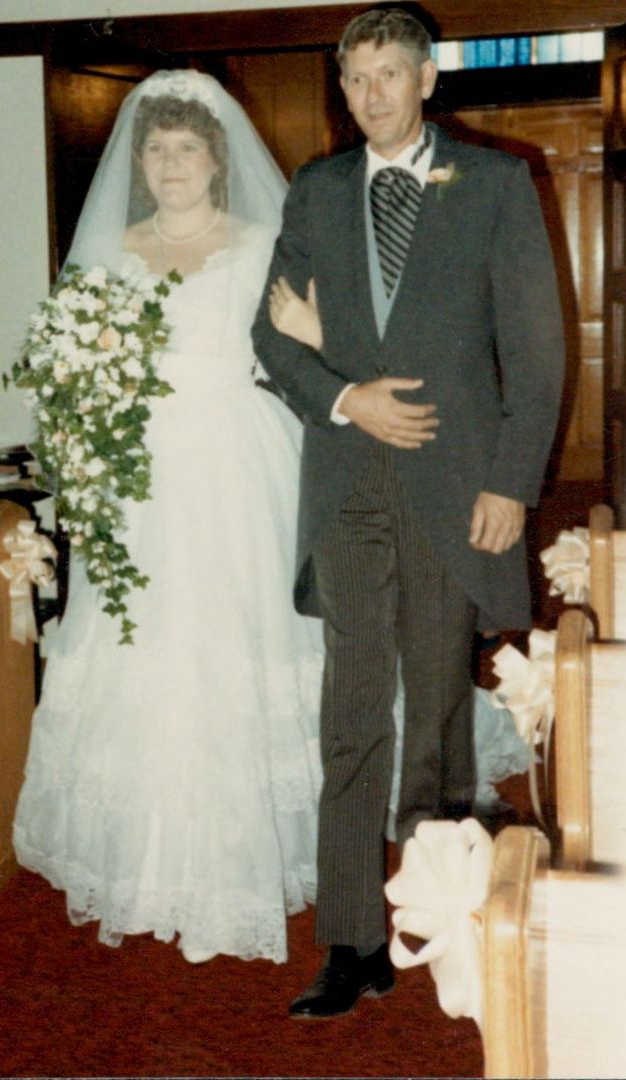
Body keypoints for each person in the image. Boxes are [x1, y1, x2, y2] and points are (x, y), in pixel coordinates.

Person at [251, 7, 564, 1018]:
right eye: (355, 78)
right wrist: (349, 398)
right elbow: (274, 336)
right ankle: (352, 943)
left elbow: (537, 351)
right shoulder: (317, 188)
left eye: (390, 73)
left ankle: (437, 917)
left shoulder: (494, 183)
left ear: (427, 79)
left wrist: (510, 483)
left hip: (450, 485)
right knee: (348, 714)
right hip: (347, 485)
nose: (372, 94)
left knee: (433, 713)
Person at [13, 69, 324, 965]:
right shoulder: (111, 251)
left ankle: (238, 865)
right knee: (139, 644)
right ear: (138, 162)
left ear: (217, 159)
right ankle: (142, 861)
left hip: (235, 465)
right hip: (136, 476)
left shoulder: (262, 242)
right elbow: (69, 372)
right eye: (156, 148)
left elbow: (311, 347)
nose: (171, 163)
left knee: (231, 642)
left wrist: (315, 333)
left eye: (187, 148)